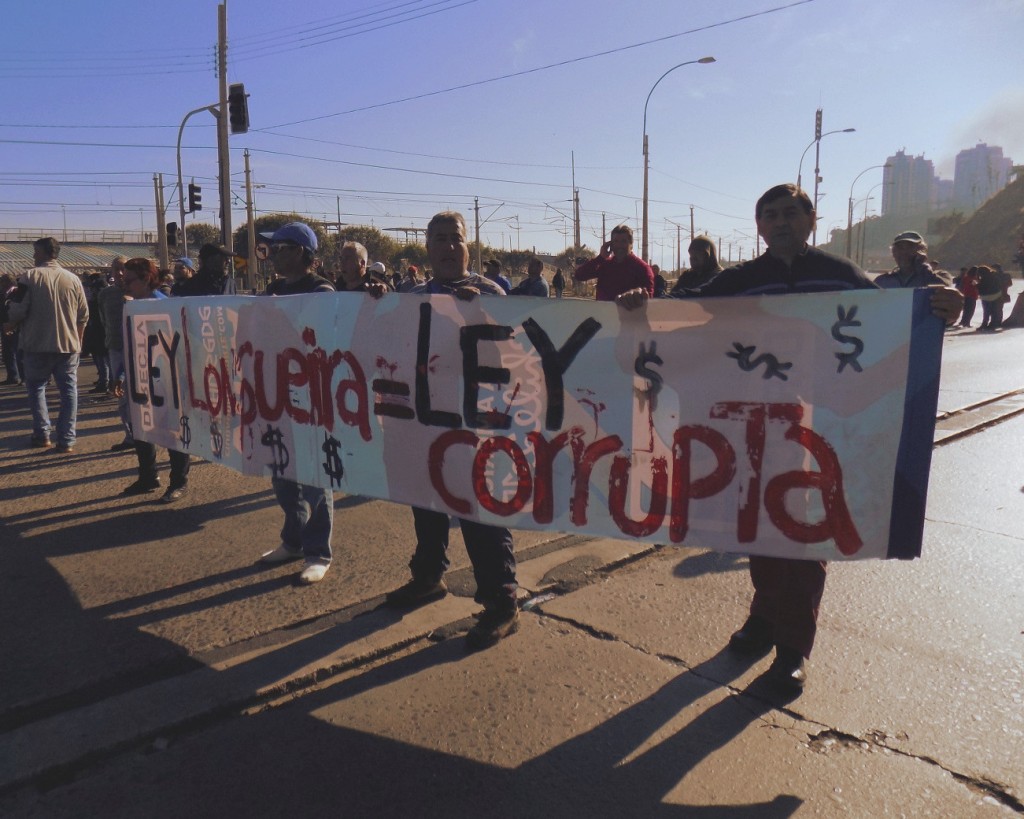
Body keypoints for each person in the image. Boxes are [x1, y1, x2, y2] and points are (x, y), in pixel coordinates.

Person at [616, 184, 962, 692]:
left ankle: (792, 649)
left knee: (802, 542)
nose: (780, 223)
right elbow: (678, 311)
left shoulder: (841, 275)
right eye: (770, 215)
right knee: (758, 530)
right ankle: (764, 619)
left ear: (810, 220)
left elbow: (894, 323)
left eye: (790, 213)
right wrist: (637, 307)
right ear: (758, 226)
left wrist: (942, 308)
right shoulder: (740, 280)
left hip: (821, 431)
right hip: (753, 431)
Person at [384, 210, 520, 652]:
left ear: (468, 245)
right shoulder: (413, 295)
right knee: (426, 502)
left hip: (476, 424)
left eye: (455, 238)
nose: (447, 246)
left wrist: (476, 309)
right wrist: (371, 297)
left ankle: (501, 602)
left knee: (480, 511)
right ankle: (428, 577)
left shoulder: (490, 292)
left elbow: (512, 355)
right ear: (427, 247)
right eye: (438, 238)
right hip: (426, 419)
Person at [255, 222, 338, 585]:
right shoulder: (273, 289)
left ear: (303, 252)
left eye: (284, 247)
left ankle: (318, 552)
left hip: (313, 396)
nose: (275, 253)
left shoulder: (322, 289)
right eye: (275, 247)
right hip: (278, 394)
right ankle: (293, 540)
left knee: (316, 478)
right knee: (282, 473)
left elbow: (324, 332)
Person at [118, 258, 197, 502]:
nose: (124, 284)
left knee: (173, 431)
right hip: (141, 376)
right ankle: (148, 476)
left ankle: (179, 482)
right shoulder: (134, 306)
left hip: (168, 379)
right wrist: (122, 374)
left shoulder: (165, 305)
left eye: (129, 280)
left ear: (145, 279)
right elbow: (131, 345)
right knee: (143, 427)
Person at [5, 237, 88, 452]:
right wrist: (78, 340)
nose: (33, 256)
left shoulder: (29, 277)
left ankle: (42, 434)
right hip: (68, 344)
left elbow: (18, 309)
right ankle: (67, 439)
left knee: (36, 388)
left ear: (43, 253)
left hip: (36, 344)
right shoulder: (73, 279)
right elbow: (83, 315)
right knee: (69, 391)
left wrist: (9, 324)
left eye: (36, 252)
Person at [97, 256, 135, 451]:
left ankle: (146, 436)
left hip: (139, 349)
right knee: (121, 394)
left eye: (124, 269)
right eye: (116, 269)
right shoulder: (105, 295)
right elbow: (104, 321)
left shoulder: (140, 292)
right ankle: (130, 436)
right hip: (116, 348)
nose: (120, 273)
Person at [573, 223, 654, 302]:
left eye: (623, 241)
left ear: (631, 244)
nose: (619, 245)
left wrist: (639, 294)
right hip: (603, 314)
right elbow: (579, 275)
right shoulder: (604, 265)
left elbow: (648, 298)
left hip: (629, 314)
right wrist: (600, 258)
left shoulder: (642, 268)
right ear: (611, 244)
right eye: (616, 241)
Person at [874, 231, 951, 289]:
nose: (904, 252)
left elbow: (945, 291)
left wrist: (922, 268)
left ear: (922, 251)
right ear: (894, 253)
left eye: (910, 247)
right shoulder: (882, 281)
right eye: (900, 248)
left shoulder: (940, 276)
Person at [81, 268, 111, 393]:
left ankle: (105, 383)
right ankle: (105, 381)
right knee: (103, 360)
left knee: (104, 360)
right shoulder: (100, 301)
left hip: (100, 333)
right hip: (100, 333)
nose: (91, 291)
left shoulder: (98, 302)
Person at [0, 273, 23, 385]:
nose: (1, 284)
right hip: (4, 326)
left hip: (16, 326)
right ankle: (12, 376)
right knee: (7, 352)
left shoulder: (17, 293)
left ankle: (23, 377)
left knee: (19, 352)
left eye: (3, 282)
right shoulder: (2, 294)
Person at [976, 264, 1013, 331]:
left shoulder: (984, 278)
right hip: (996, 295)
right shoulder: (995, 276)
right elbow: (999, 285)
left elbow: (981, 287)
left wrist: (977, 282)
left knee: (986, 311)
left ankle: (984, 324)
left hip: (986, 297)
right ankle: (993, 324)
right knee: (995, 311)